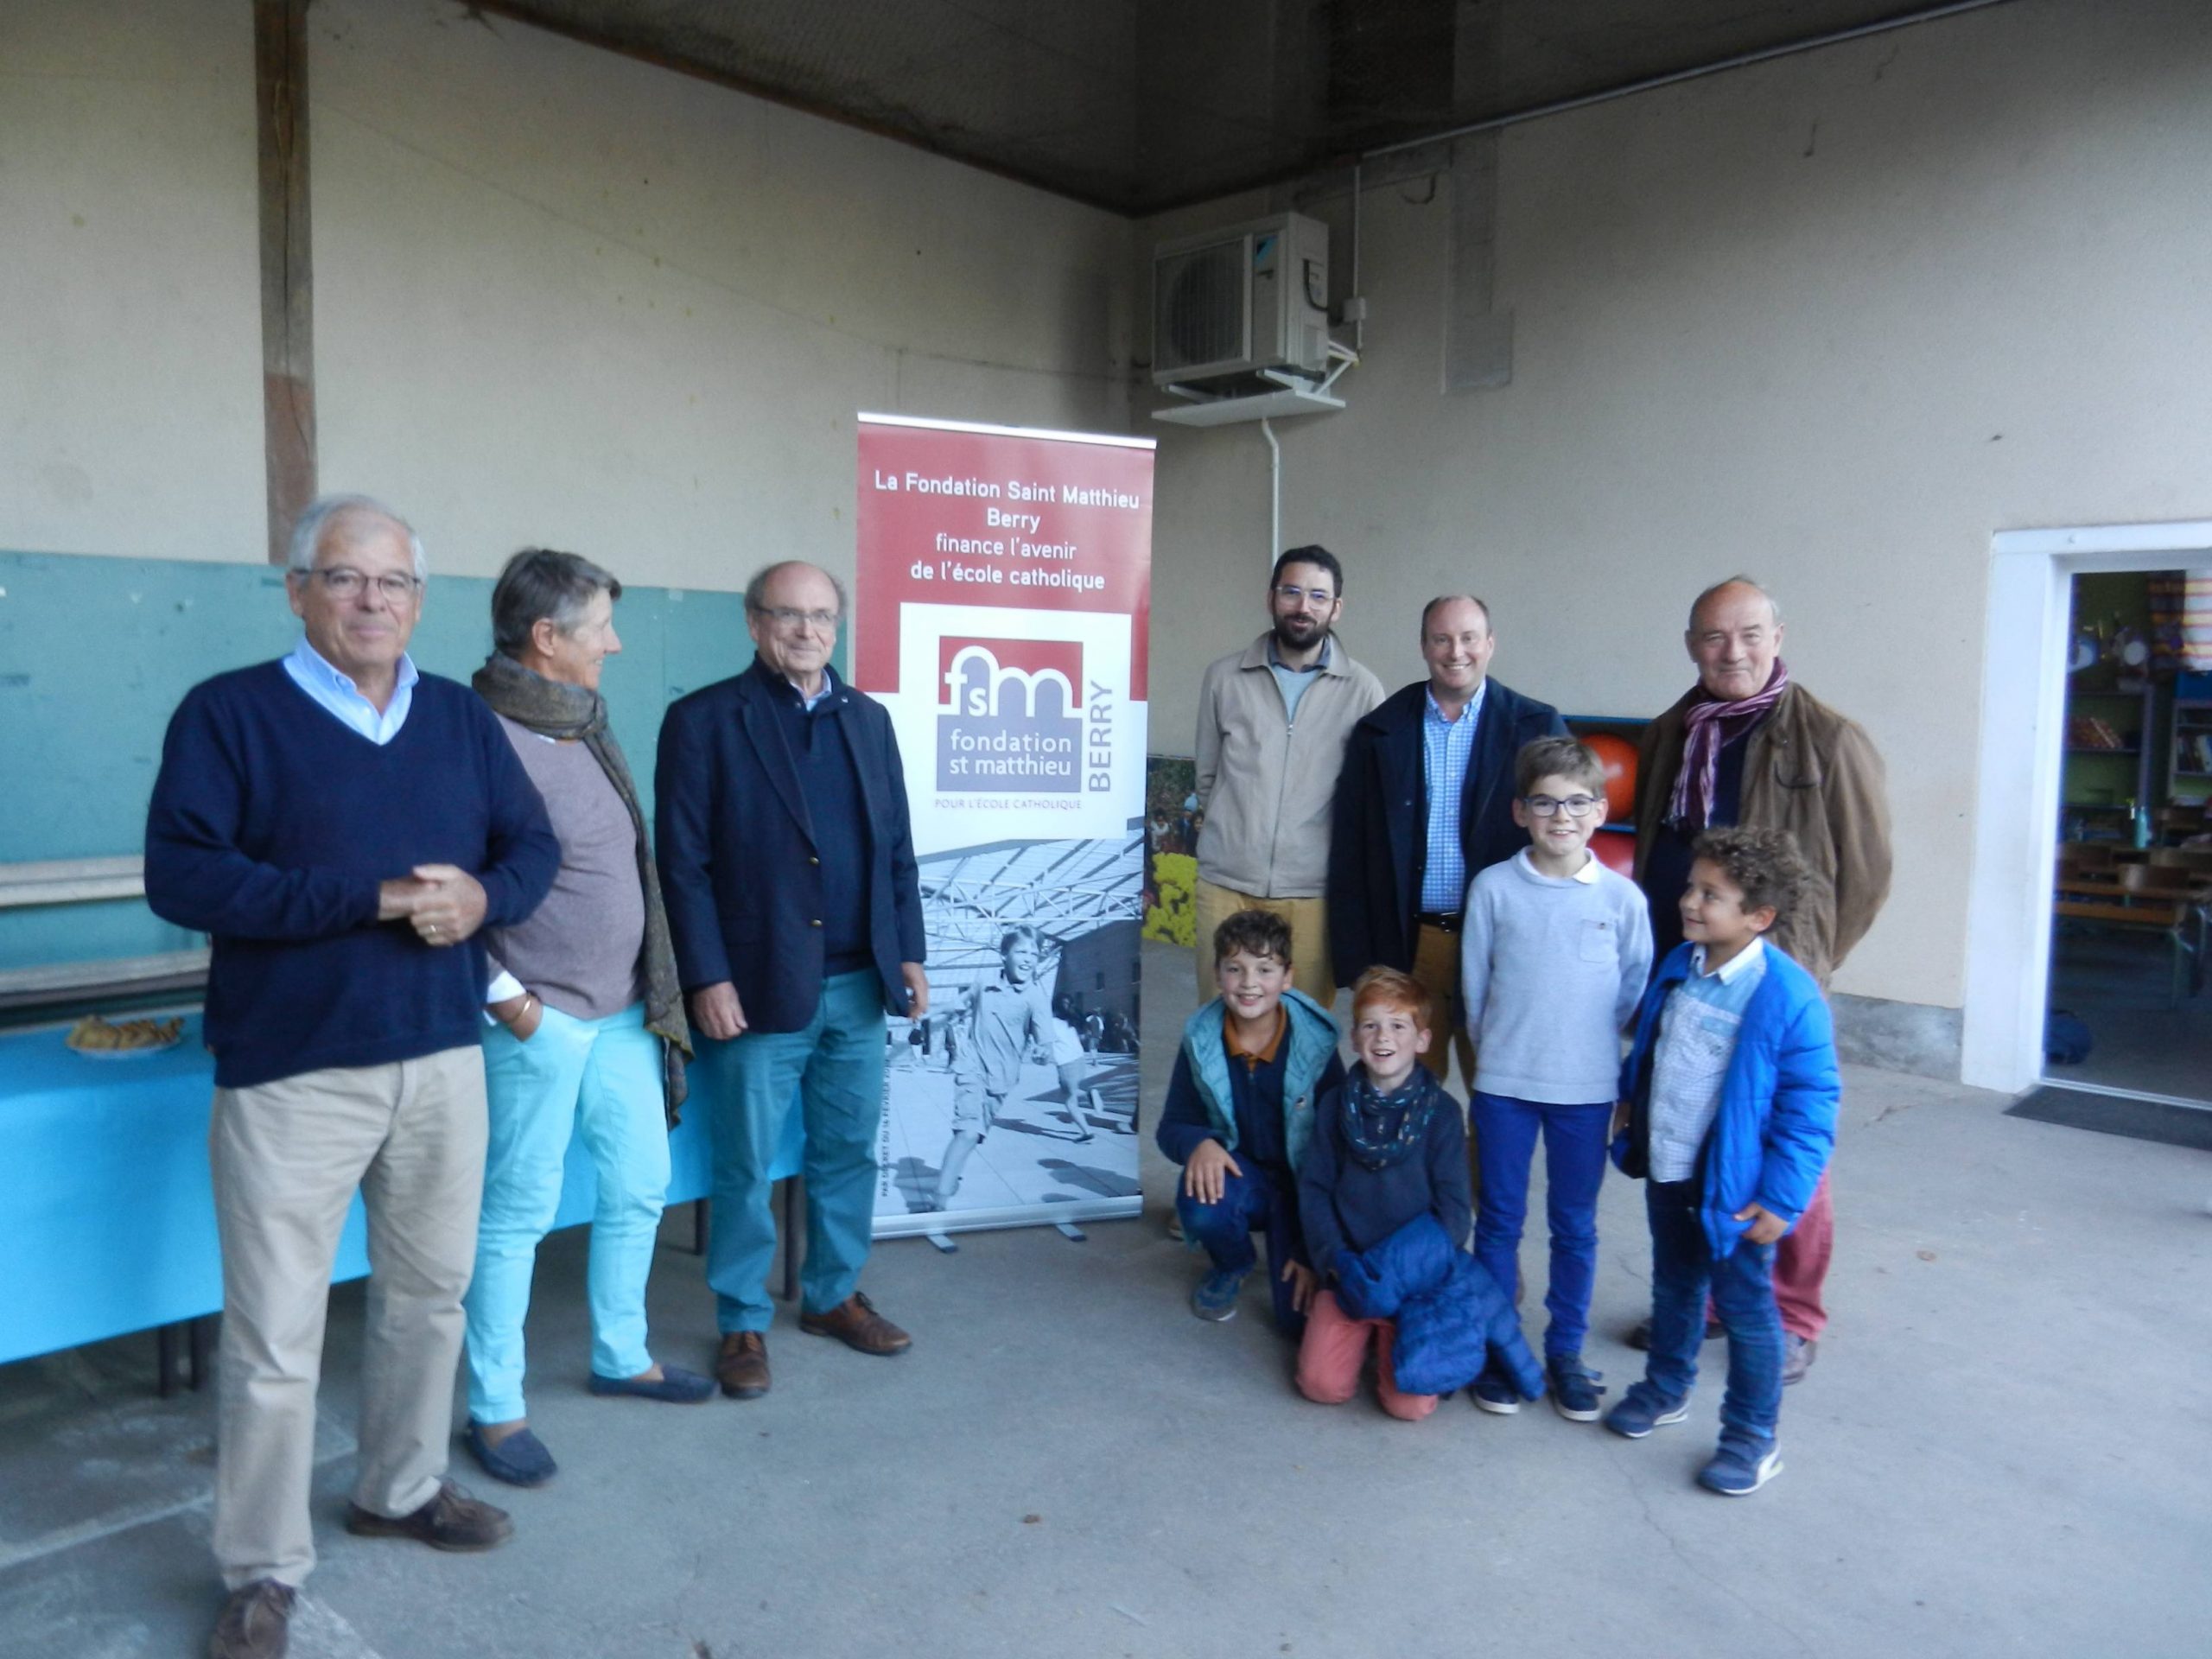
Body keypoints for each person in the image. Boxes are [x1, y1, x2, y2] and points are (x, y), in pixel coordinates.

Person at [145, 493, 560, 1659]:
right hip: (291, 1073)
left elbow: (532, 850)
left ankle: (400, 1489)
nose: (371, 600)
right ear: (296, 590)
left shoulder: (461, 723)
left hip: (440, 1060)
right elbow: (184, 877)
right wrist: (373, 898)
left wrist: (482, 900)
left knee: (429, 1300)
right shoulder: (230, 715)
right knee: (277, 1336)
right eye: (343, 577)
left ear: (421, 600)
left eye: (393, 582)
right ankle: (264, 1570)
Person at [459, 549, 709, 1491]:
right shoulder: (481, 735)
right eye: (599, 625)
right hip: (540, 1021)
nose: (615, 641)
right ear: (546, 638)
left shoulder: (582, 725)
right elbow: (442, 884)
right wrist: (512, 1005)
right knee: (515, 1214)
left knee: (641, 1184)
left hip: (622, 1016)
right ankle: (495, 1407)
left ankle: (621, 1354)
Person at [655, 560, 928, 1401]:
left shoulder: (870, 722)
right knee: (744, 1163)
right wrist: (706, 975)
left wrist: (908, 950)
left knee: (846, 1150)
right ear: (752, 623)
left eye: (820, 617)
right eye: (787, 616)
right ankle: (740, 1318)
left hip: (858, 983)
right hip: (756, 985)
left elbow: (896, 850)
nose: (806, 631)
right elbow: (683, 867)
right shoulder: (703, 721)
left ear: (837, 626)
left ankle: (831, 1294)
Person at [1631, 577, 1890, 1382]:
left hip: (1773, 974)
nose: (1731, 652)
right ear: (1690, 644)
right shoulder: (1675, 730)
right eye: (1713, 637)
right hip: (1691, 968)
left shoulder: (1830, 740)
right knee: (1707, 1130)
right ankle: (1711, 1299)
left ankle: (1795, 1313)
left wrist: (1800, 963)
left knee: (1784, 1146)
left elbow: (1868, 873)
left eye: (1748, 634)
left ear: (1779, 635)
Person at [1605, 827, 1839, 1497]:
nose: (1691, 901)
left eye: (1713, 895)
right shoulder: (1682, 963)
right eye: (1690, 887)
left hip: (1733, 1189)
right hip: (1670, 1166)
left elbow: (1811, 1107)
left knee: (1746, 1310)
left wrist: (1783, 1197)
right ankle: (1666, 1388)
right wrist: (1629, 1104)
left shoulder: (1786, 995)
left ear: (1759, 917)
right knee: (1676, 1286)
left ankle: (1751, 1437)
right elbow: (1651, 1046)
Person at [1459, 738, 1653, 1421]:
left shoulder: (1623, 900)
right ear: (1521, 811)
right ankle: (1499, 1349)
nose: (1560, 816)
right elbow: (1476, 988)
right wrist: (1504, 1060)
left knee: (1574, 1225)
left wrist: (1600, 1065)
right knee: (1501, 1221)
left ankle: (1565, 1349)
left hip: (1586, 1092)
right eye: (1545, 802)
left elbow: (1633, 993)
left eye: (1576, 803)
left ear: (1600, 811)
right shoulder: (1493, 889)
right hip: (1506, 1085)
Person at [1329, 595, 1567, 1087]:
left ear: (1490, 644)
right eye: (1442, 639)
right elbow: (1350, 850)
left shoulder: (1538, 728)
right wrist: (1356, 963)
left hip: (1502, 944)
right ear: (1423, 646)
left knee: (1497, 1092)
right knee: (1408, 1087)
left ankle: (1486, 1169)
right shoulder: (1380, 731)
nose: (1456, 651)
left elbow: (1567, 843)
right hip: (1412, 945)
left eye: (1468, 638)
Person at [1192, 545, 1384, 1012]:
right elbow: (1207, 777)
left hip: (1313, 893)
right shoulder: (1224, 678)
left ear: (1336, 608)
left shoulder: (1363, 691)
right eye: (1292, 592)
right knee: (1224, 1022)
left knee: (1304, 1030)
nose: (1304, 607)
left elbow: (1366, 798)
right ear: (1271, 598)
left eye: (1318, 596)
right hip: (1227, 885)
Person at [1294, 969, 1471, 1421]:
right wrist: (1336, 1260)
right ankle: (1360, 1332)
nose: (1383, 1036)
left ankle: (1385, 1336)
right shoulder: (1335, 1104)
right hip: (1349, 1272)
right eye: (1370, 1024)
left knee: (1408, 1405)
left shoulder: (1444, 1115)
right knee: (1321, 1386)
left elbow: (1454, 1214)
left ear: (1423, 1039)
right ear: (1354, 1038)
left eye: (1398, 1025)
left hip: (1412, 1281)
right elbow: (1315, 1189)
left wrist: (1396, 1271)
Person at [1154, 909, 1344, 1333]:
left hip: (1305, 1189)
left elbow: (1339, 1145)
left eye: (1265, 969)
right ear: (1218, 975)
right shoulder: (1201, 1040)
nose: (1249, 983)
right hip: (1242, 1178)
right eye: (1235, 969)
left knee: (1297, 1325)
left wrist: (1310, 1247)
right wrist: (1199, 1142)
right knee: (1201, 1205)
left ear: (1288, 976)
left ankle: (1295, 1247)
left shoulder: (1317, 1045)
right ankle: (1232, 1261)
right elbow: (1171, 1126)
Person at [926, 926, 1061, 1209]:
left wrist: (1041, 1053)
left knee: (970, 1134)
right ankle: (938, 1203)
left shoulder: (1036, 997)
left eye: (1033, 954)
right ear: (1004, 955)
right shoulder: (983, 984)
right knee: (968, 1132)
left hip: (1002, 1080)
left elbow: (1045, 1046)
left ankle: (950, 1174)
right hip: (971, 1068)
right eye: (1021, 952)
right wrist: (922, 1010)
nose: (1028, 959)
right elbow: (956, 1005)